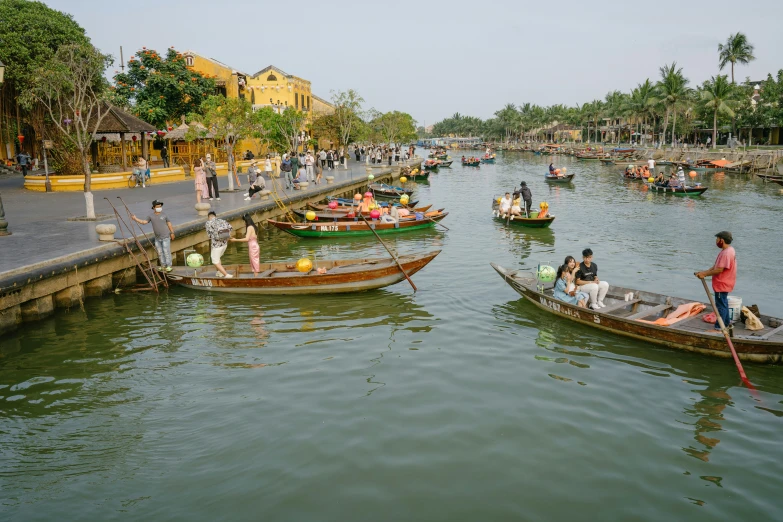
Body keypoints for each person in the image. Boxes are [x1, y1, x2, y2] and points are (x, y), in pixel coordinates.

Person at [696, 231, 737, 332]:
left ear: (721, 240)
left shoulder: (726, 253)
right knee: (724, 303)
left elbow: (719, 270)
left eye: (717, 239)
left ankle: (719, 328)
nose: (716, 241)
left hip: (722, 284)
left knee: (720, 306)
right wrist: (704, 272)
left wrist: (705, 274)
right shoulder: (728, 250)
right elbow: (716, 266)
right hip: (725, 283)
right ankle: (726, 323)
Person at [131, 200, 175, 272]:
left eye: (160, 206)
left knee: (166, 252)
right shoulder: (150, 216)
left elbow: (169, 224)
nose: (159, 208)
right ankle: (163, 265)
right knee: (160, 252)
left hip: (166, 237)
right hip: (157, 238)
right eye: (157, 206)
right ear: (154, 207)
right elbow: (144, 222)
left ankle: (169, 265)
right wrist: (135, 219)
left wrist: (172, 233)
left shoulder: (164, 215)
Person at [205, 211, 233, 278]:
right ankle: (219, 272)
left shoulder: (208, 223)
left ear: (209, 217)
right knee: (218, 258)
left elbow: (209, 235)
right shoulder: (222, 221)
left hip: (216, 245)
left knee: (215, 261)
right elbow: (230, 228)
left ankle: (226, 275)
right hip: (224, 244)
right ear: (215, 216)